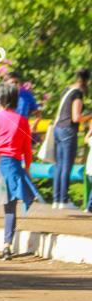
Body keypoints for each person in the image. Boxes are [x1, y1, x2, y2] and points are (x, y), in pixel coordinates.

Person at [0, 82, 39, 260]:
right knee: (10, 209)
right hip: (13, 166)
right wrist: (27, 168)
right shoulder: (22, 120)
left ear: (0, 99)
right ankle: (7, 247)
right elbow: (27, 148)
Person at [52, 69, 91, 209]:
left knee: (59, 165)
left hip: (58, 129)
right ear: (88, 81)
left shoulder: (67, 89)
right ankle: (64, 200)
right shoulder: (77, 93)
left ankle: (56, 200)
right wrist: (89, 115)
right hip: (68, 130)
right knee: (66, 166)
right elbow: (76, 117)